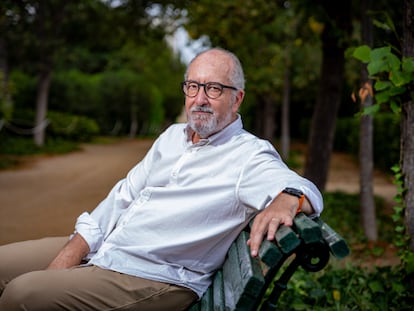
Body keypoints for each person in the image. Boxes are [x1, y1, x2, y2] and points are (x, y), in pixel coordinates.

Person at [0, 47, 323, 311]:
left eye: (213, 88)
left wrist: (286, 198)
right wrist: (71, 253)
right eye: (193, 86)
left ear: (237, 98)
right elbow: (122, 196)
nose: (200, 98)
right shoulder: (171, 137)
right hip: (109, 251)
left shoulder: (248, 155)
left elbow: (303, 189)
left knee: (22, 295)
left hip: (154, 277)